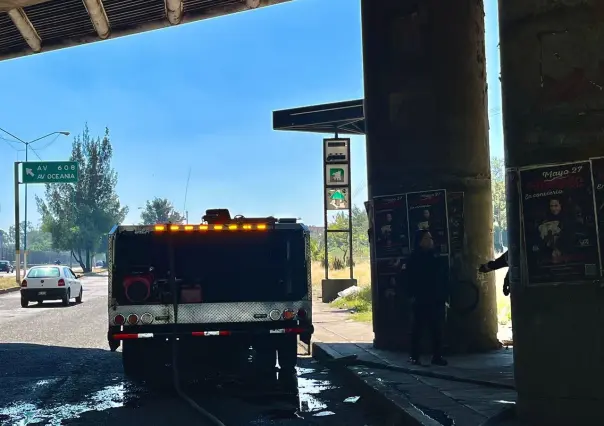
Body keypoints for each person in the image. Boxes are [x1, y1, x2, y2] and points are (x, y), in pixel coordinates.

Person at [406, 229, 449, 366]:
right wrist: (411, 295)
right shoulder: (413, 258)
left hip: (436, 298)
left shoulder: (436, 257)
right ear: (419, 242)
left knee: (437, 329)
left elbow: (443, 278)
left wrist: (445, 295)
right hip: (420, 299)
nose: (430, 241)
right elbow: (408, 279)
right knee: (417, 329)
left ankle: (437, 356)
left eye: (431, 238)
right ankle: (415, 356)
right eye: (426, 238)